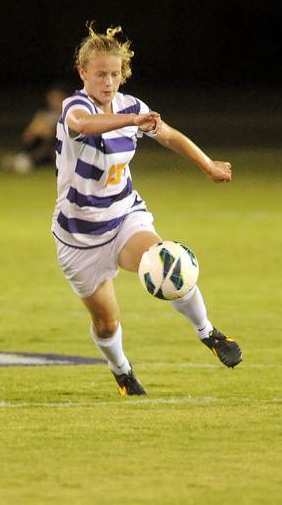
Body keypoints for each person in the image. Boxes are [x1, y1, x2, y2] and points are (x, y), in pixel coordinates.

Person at [53, 23, 242, 396]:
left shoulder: (131, 107)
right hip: (79, 236)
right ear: (83, 73)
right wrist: (133, 121)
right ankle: (122, 371)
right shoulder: (75, 106)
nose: (108, 82)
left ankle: (209, 332)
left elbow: (169, 136)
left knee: (166, 261)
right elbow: (87, 125)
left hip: (124, 217)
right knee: (107, 324)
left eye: (114, 74)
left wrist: (208, 165)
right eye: (100, 74)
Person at [2, 83, 71, 173]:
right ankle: (26, 159)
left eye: (56, 98)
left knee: (50, 136)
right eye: (51, 99)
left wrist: (51, 130)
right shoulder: (43, 115)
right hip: (43, 148)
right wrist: (39, 129)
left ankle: (23, 160)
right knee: (41, 134)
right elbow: (28, 136)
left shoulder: (71, 114)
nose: (53, 102)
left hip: (60, 149)